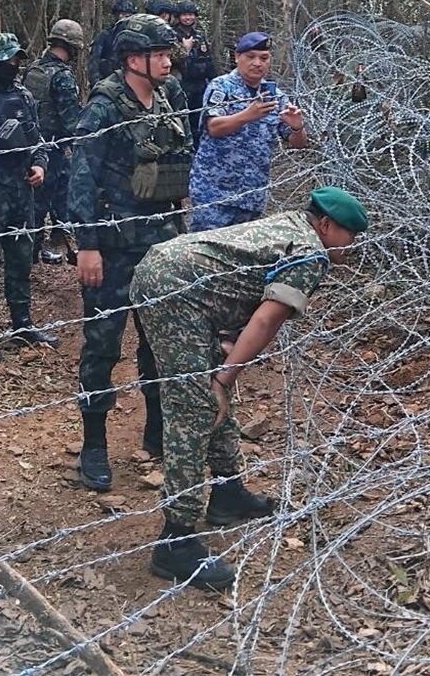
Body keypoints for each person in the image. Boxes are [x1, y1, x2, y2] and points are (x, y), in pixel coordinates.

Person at [131, 187, 369, 589]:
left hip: (179, 277)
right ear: (326, 225)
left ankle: (227, 493)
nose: (354, 245)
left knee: (210, 393)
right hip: (174, 290)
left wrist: (224, 359)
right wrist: (224, 377)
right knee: (196, 403)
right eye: (350, 234)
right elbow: (265, 321)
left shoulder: (294, 225)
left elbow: (240, 283)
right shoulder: (310, 253)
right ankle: (176, 542)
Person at [68, 14, 193, 491]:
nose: (167, 61)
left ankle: (157, 431)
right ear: (132, 59)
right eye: (159, 54)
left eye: (167, 53)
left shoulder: (167, 98)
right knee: (102, 344)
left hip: (162, 239)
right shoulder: (103, 108)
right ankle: (94, 445)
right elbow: (82, 177)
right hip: (115, 244)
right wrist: (88, 245)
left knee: (159, 339)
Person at [0, 33, 57, 347]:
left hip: (21, 190)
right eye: (6, 60)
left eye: (16, 59)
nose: (13, 65)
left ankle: (23, 325)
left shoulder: (24, 96)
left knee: (20, 260)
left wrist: (40, 165)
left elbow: (38, 139)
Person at [189, 32, 310, 232]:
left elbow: (298, 143)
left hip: (252, 196)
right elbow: (214, 127)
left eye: (264, 58)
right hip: (214, 194)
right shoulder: (221, 87)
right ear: (237, 57)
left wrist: (297, 126)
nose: (257, 63)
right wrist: (247, 115)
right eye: (250, 57)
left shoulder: (275, 97)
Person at [24, 19, 86, 266]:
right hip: (54, 147)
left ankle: (36, 249)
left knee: (39, 200)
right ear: (71, 46)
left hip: (33, 144)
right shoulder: (62, 76)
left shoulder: (34, 69)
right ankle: (31, 253)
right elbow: (71, 120)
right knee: (48, 200)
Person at [172, 0, 217, 142]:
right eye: (185, 15)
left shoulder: (200, 35)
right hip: (182, 84)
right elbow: (170, 61)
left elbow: (208, 59)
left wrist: (214, 81)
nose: (188, 18)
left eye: (191, 15)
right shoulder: (172, 35)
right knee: (183, 120)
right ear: (179, 17)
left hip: (200, 85)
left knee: (200, 121)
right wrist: (186, 49)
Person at [89, 0, 137, 85]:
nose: (125, 18)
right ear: (116, 15)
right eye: (123, 14)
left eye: (129, 15)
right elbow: (94, 61)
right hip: (107, 83)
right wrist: (96, 84)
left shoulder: (136, 38)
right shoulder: (105, 36)